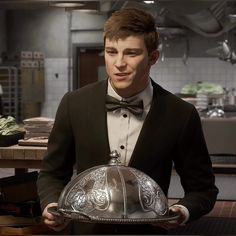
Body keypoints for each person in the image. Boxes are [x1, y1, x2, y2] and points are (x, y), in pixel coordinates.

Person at [37, 7, 218, 235]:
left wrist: (181, 211)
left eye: (131, 53)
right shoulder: (74, 103)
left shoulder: (181, 114)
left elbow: (203, 189)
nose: (118, 63)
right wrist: (53, 205)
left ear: (153, 57)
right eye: (111, 52)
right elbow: (52, 173)